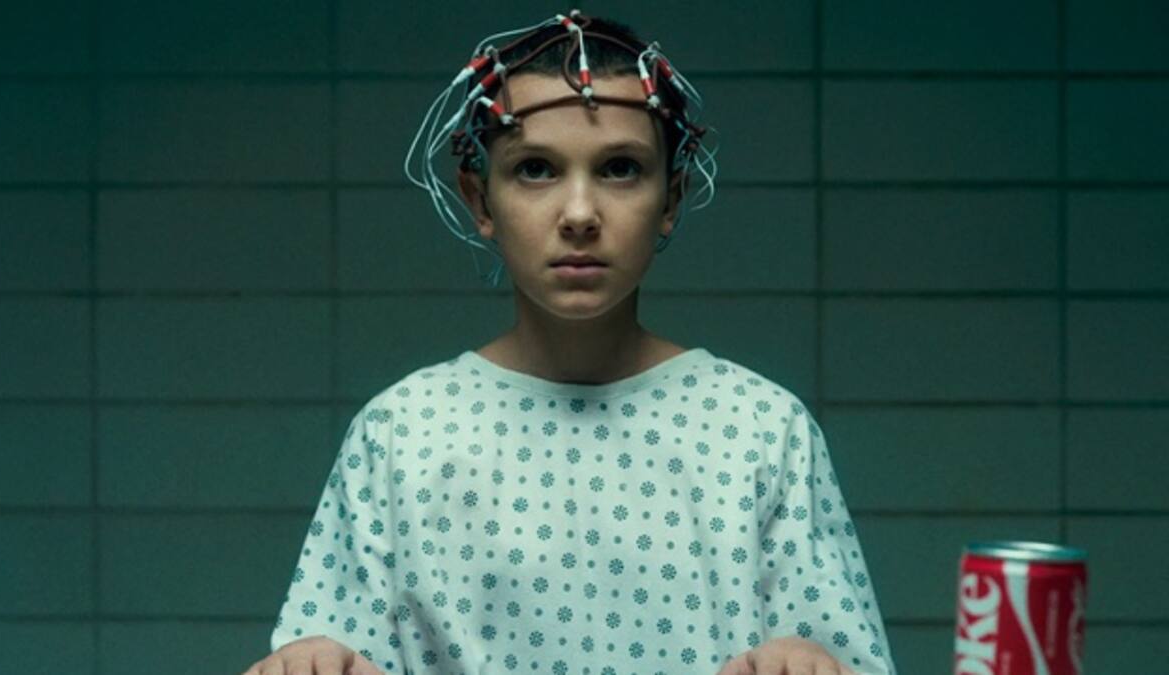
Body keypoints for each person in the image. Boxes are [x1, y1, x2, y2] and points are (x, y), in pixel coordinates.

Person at [239, 11, 895, 675]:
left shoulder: (761, 429)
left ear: (671, 197)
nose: (579, 214)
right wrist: (315, 661)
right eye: (535, 169)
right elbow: (334, 648)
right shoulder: (400, 435)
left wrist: (812, 662)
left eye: (619, 168)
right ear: (480, 200)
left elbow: (843, 656)